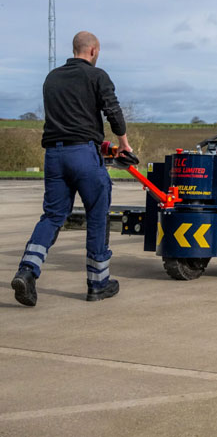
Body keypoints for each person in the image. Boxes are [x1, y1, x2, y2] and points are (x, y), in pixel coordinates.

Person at [11, 31, 132, 306]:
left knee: (53, 216)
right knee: (98, 215)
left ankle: (27, 271)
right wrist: (124, 143)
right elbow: (112, 111)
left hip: (54, 155)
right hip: (83, 155)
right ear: (93, 50)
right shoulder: (97, 75)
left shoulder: (51, 77)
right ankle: (98, 283)